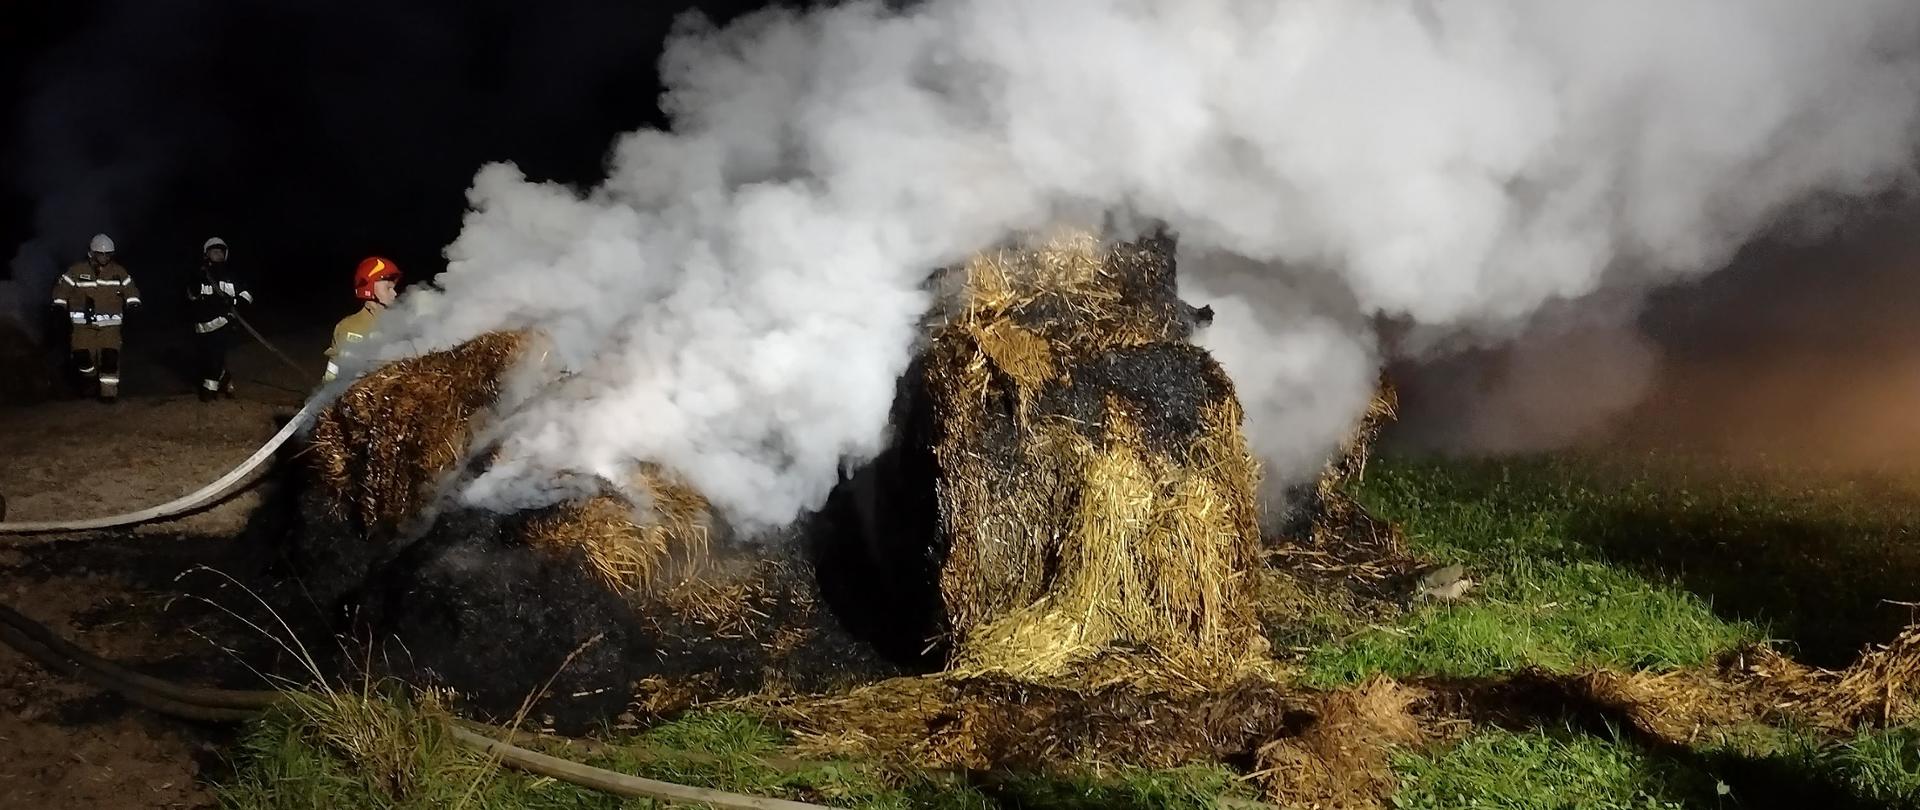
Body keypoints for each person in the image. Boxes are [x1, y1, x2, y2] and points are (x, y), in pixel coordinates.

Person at [51, 233, 141, 403]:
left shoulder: (118, 272)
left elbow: (131, 290)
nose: (104, 257)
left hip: (110, 327)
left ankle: (108, 393)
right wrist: (58, 305)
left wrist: (133, 304)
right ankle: (90, 379)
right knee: (82, 357)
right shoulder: (76, 271)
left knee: (110, 357)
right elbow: (62, 290)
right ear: (91, 253)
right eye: (101, 254)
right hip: (82, 326)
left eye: (108, 254)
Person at [186, 237, 253, 401]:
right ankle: (225, 378)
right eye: (213, 251)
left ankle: (210, 389)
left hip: (223, 322)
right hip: (202, 325)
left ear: (225, 254)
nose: (217, 254)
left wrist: (234, 301)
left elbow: (248, 295)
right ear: (206, 254)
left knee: (216, 354)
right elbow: (190, 297)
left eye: (220, 251)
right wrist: (195, 281)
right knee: (205, 357)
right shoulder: (199, 275)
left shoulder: (232, 276)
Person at [323, 256, 400, 383]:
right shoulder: (349, 327)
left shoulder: (399, 324)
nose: (395, 293)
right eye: (388, 288)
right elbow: (335, 371)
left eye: (394, 288)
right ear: (368, 288)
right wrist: (327, 391)